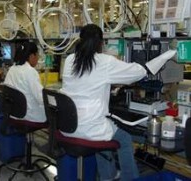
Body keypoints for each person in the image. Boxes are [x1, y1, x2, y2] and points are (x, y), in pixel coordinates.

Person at [60, 24, 175, 180]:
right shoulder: (104, 61)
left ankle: (109, 176)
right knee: (125, 139)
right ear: (100, 43)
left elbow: (86, 81)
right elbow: (138, 72)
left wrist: (110, 84)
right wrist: (164, 56)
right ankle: (129, 178)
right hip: (90, 128)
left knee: (106, 132)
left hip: (68, 126)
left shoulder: (69, 60)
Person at [4, 42, 46, 123]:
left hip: (13, 113)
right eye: (37, 55)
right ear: (32, 56)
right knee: (55, 115)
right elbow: (41, 98)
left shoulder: (12, 68)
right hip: (28, 116)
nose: (38, 58)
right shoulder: (30, 71)